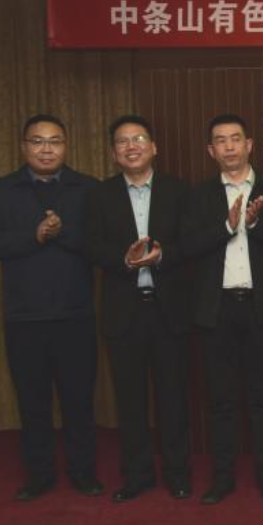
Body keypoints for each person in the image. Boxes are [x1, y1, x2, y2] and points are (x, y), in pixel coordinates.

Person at [0, 114, 103, 501]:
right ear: (23, 147)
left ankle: (83, 472)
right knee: (33, 403)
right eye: (38, 141)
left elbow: (100, 244)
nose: (47, 149)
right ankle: (39, 475)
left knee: (79, 401)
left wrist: (61, 235)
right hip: (24, 317)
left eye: (55, 141)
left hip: (76, 314)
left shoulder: (87, 189)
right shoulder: (1, 190)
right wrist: (34, 235)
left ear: (66, 146)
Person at [181, 114, 263, 504]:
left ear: (249, 145)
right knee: (221, 400)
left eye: (235, 139)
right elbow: (187, 246)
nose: (229, 146)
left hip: (260, 307)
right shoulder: (199, 196)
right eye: (220, 140)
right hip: (217, 309)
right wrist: (228, 227)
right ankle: (223, 477)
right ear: (211, 150)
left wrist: (255, 224)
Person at [84, 115, 193, 503]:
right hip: (123, 312)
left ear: (154, 147)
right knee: (129, 400)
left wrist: (162, 256)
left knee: (173, 398)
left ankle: (178, 474)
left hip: (169, 311)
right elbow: (91, 246)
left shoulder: (178, 191)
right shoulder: (99, 195)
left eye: (139, 139)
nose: (131, 146)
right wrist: (124, 260)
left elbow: (191, 243)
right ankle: (137, 475)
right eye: (123, 141)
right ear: (114, 153)